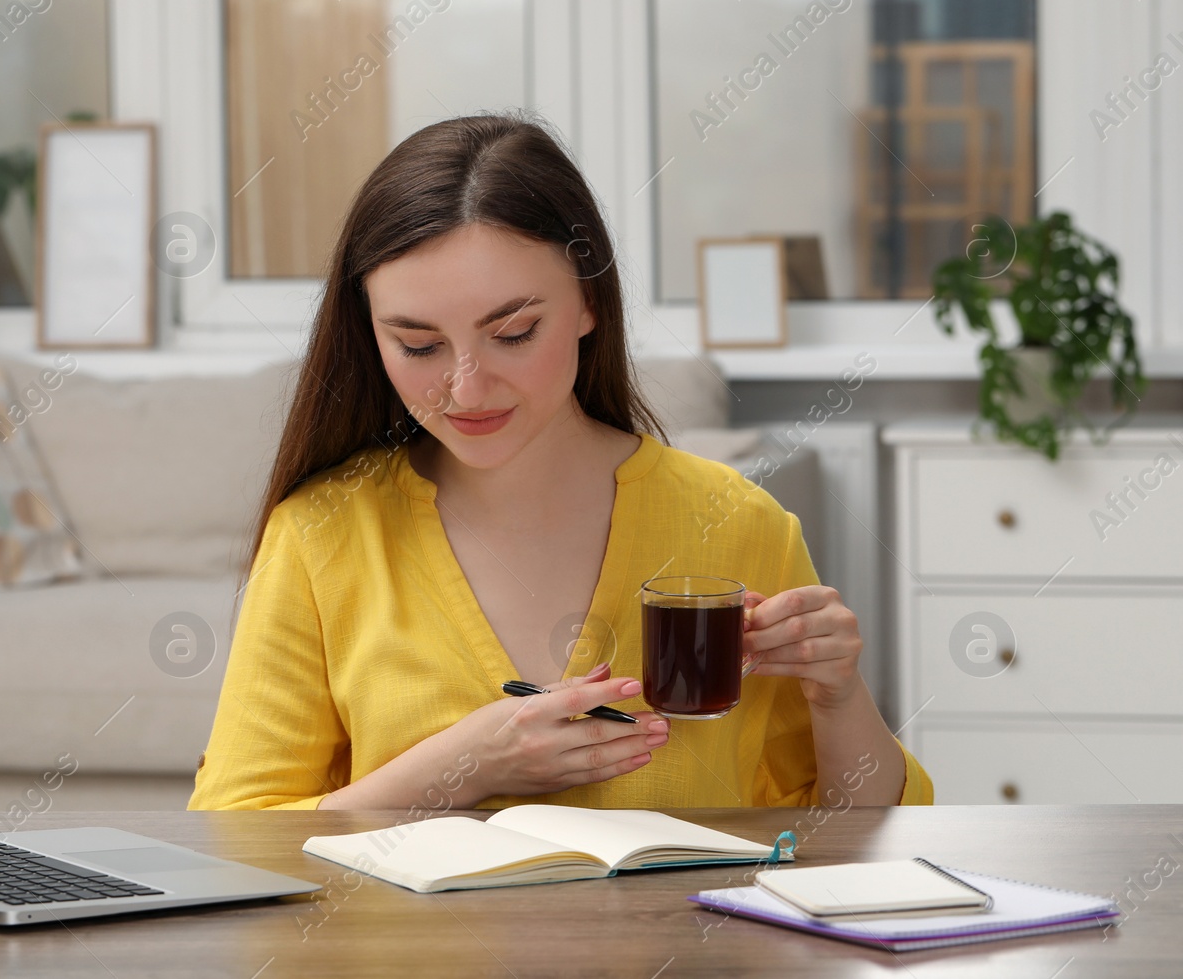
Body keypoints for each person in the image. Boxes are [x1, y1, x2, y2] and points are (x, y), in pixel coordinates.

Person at [188, 112, 932, 812]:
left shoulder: (736, 522)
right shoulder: (320, 535)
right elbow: (236, 838)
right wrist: (464, 764)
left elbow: (851, 840)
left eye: (513, 332)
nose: (466, 387)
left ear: (587, 303)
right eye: (417, 345)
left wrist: (838, 694)